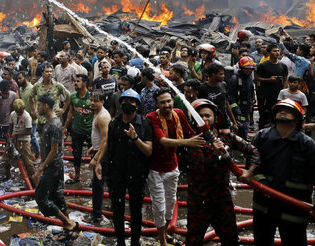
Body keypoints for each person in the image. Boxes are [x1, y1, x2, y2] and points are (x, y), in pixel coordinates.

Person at [186, 99, 258, 246]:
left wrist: (250, 172)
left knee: (231, 239)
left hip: (222, 198)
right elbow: (198, 169)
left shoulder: (226, 136)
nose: (204, 119)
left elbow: (253, 151)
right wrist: (214, 154)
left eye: (207, 116)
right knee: (193, 240)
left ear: (215, 118)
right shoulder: (190, 140)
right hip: (198, 200)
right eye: (200, 116)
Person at [252, 99, 315, 245]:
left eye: (289, 111)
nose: (283, 112)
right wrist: (262, 184)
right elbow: (252, 165)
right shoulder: (262, 138)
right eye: (280, 110)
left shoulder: (307, 145)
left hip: (294, 211)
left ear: (298, 119)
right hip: (263, 208)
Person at [147, 89, 205, 246]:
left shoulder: (179, 113)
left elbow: (189, 133)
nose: (166, 105)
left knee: (171, 203)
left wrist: (205, 139)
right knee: (159, 207)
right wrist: (188, 142)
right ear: (157, 104)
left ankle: (164, 234)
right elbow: (163, 140)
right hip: (156, 170)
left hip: (173, 167)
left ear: (173, 101)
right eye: (162, 102)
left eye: (168, 101)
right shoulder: (151, 117)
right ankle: (163, 241)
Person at [95, 89, 152, 246]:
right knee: (117, 210)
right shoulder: (114, 123)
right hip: (116, 173)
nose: (128, 104)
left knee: (136, 210)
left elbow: (148, 151)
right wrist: (99, 162)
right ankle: (120, 241)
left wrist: (135, 138)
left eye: (132, 102)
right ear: (120, 104)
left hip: (137, 173)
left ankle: (135, 242)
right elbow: (107, 144)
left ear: (137, 105)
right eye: (125, 101)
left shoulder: (144, 123)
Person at [33, 93, 79, 238]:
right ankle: (70, 227)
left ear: (46, 106)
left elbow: (54, 150)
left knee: (41, 198)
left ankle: (67, 222)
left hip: (52, 168)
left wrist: (41, 167)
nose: (37, 107)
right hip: (53, 166)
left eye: (39, 105)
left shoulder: (54, 124)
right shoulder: (49, 122)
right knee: (57, 197)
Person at [63, 74, 94, 184]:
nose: (75, 83)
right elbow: (70, 113)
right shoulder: (73, 97)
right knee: (76, 155)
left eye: (78, 81)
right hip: (77, 130)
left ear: (85, 83)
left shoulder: (92, 97)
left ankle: (95, 177)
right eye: (75, 81)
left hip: (90, 131)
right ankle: (77, 176)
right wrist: (65, 127)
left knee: (94, 155)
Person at [86, 89, 111, 224]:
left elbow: (106, 140)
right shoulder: (97, 114)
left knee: (98, 185)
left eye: (96, 101)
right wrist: (93, 147)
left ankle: (97, 216)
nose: (92, 103)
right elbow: (101, 137)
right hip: (99, 150)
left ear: (102, 101)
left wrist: (97, 159)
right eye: (91, 100)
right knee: (101, 183)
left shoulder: (103, 117)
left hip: (103, 154)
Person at [3, 98, 36, 185]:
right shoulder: (13, 114)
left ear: (23, 109)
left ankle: (35, 182)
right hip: (14, 140)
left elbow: (30, 131)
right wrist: (9, 136)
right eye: (17, 111)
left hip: (24, 141)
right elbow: (11, 126)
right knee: (6, 158)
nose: (18, 113)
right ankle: (7, 176)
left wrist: (17, 133)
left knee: (28, 163)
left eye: (20, 112)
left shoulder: (26, 116)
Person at [198, 63, 237, 132]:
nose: (223, 76)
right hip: (210, 124)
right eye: (221, 74)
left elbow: (226, 104)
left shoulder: (223, 85)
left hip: (224, 123)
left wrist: (234, 122)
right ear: (213, 75)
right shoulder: (202, 88)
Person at [256, 43, 288, 128]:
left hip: (278, 93)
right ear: (269, 52)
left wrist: (284, 90)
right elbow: (257, 78)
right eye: (275, 51)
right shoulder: (262, 65)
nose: (277, 53)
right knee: (264, 113)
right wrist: (269, 80)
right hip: (265, 93)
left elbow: (285, 78)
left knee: (276, 111)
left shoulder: (283, 65)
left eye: (278, 51)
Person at [227, 56, 256, 139]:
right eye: (248, 68)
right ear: (241, 68)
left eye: (251, 68)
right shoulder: (234, 79)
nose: (250, 70)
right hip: (238, 108)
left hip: (246, 108)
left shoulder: (249, 77)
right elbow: (230, 97)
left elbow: (250, 89)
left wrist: (253, 99)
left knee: (245, 128)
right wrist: (236, 110)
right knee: (240, 128)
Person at [16, 70, 39, 159]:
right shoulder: (21, 89)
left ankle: (38, 154)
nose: (18, 80)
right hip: (24, 118)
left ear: (25, 78)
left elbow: (37, 101)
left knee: (32, 137)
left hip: (32, 117)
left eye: (20, 78)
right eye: (17, 79)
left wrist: (35, 111)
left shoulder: (32, 88)